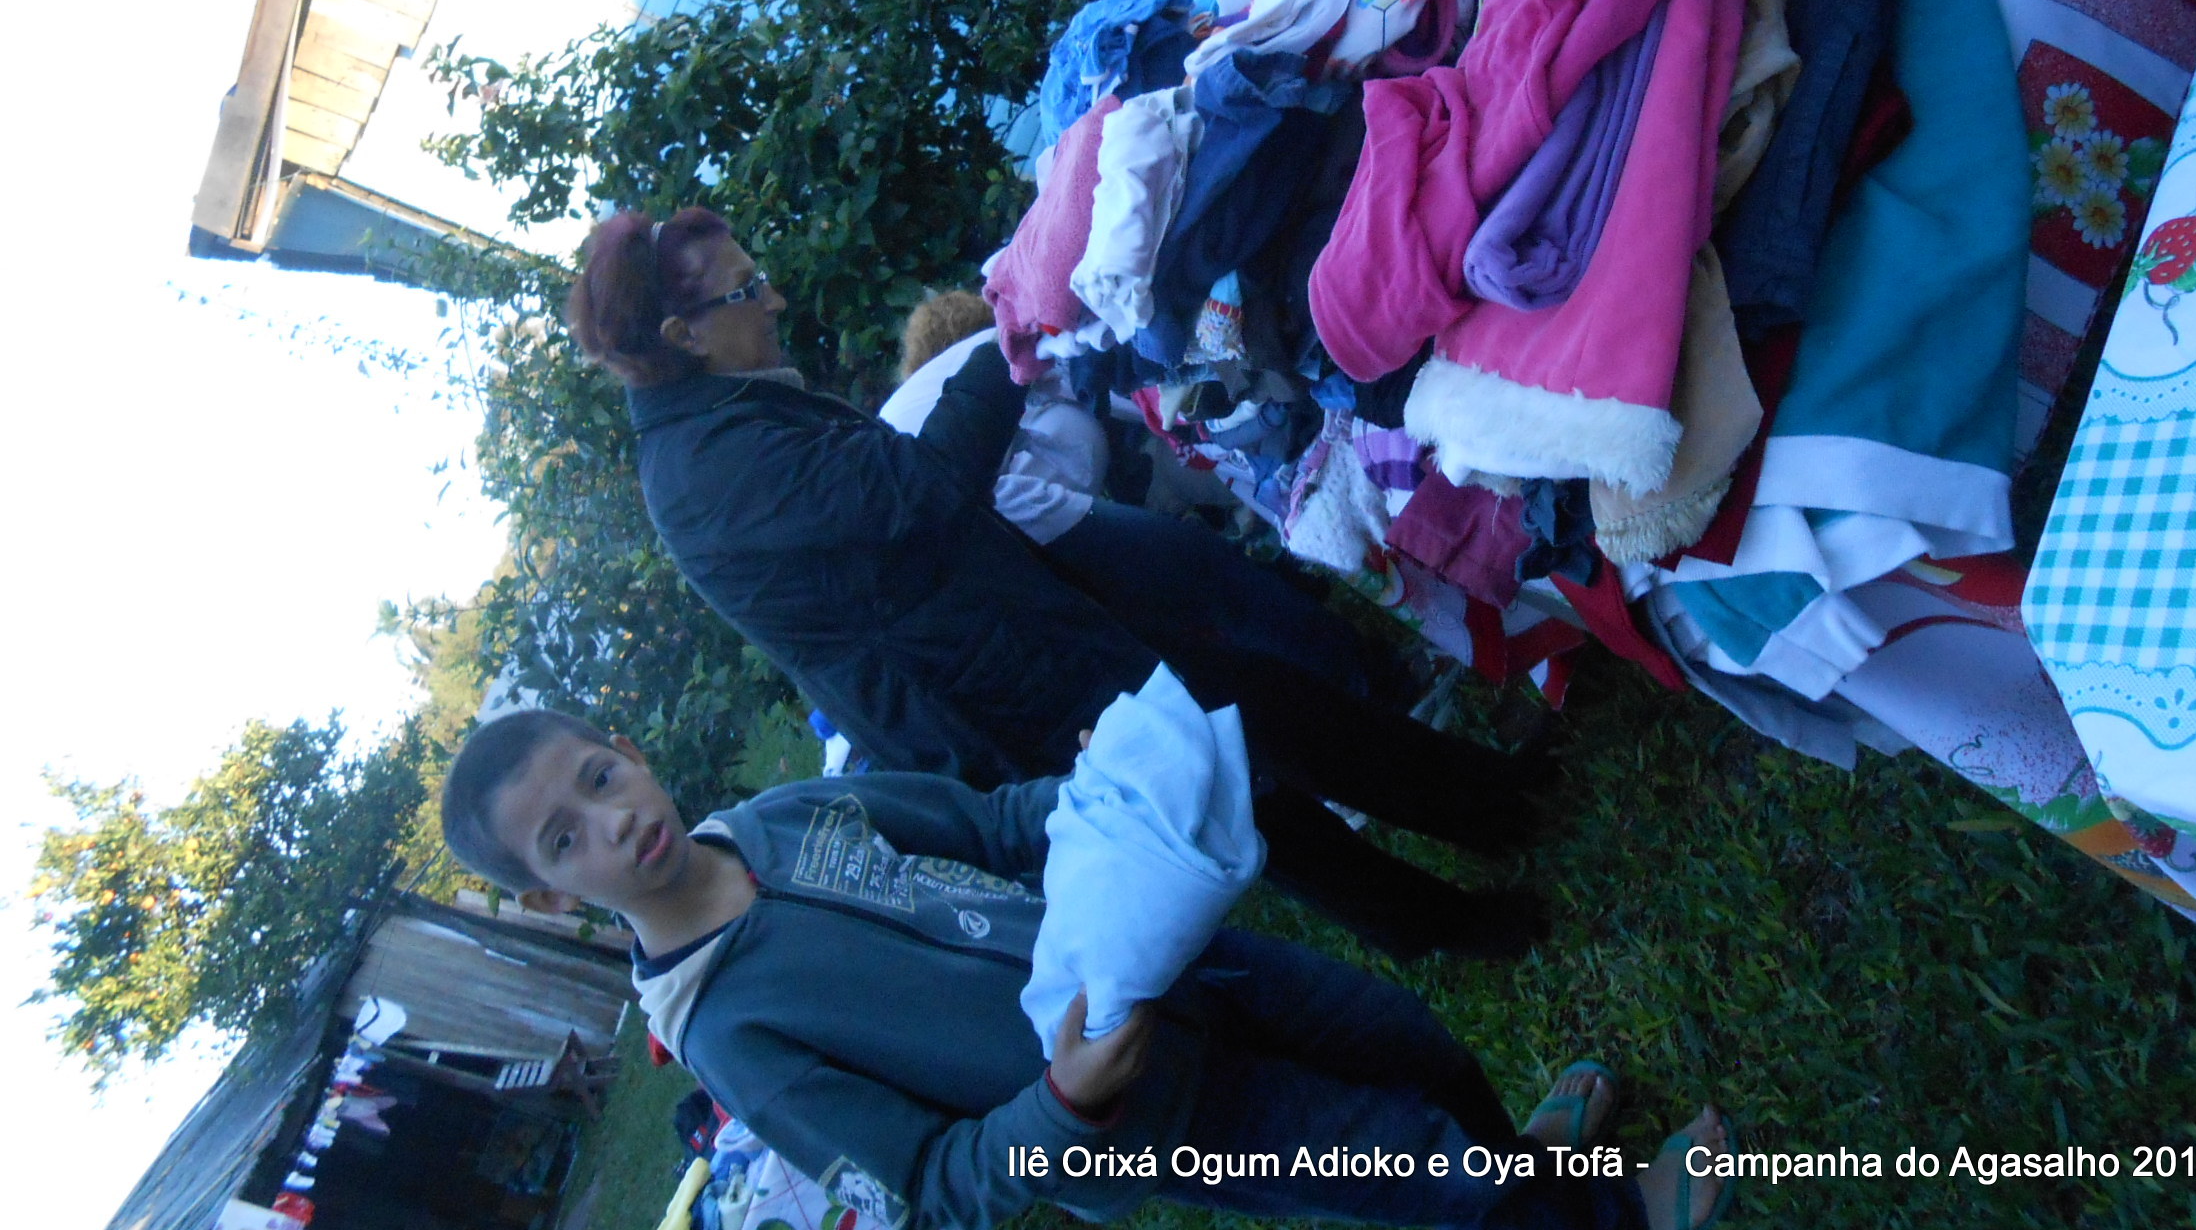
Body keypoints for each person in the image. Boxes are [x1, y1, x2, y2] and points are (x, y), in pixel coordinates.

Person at [567, 207, 1549, 960]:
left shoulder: (718, 424)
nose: (774, 300)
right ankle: (1454, 902)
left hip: (1006, 633)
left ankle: (1483, 825)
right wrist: (1012, 339)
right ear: (683, 334)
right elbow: (924, 486)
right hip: (995, 685)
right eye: (747, 290)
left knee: (1257, 724)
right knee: (1245, 764)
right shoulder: (710, 472)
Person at [440, 707, 1734, 1230]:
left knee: (1414, 1045)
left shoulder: (780, 818)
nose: (610, 821)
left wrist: (1130, 788)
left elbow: (998, 825)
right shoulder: (730, 1034)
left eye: (597, 778)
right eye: (564, 839)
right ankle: (1615, 1220)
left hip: (1188, 967)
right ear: (550, 895)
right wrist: (1063, 1107)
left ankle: (1543, 1177)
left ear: (627, 751)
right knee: (1399, 1161)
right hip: (1161, 1119)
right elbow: (931, 1184)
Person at [882, 294, 1418, 709]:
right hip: (990, 529)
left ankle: (1335, 699)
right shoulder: (1004, 352)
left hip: (945, 577)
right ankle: (1372, 681)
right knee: (1205, 572)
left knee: (1174, 624)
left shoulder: (940, 398)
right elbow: (1137, 397)